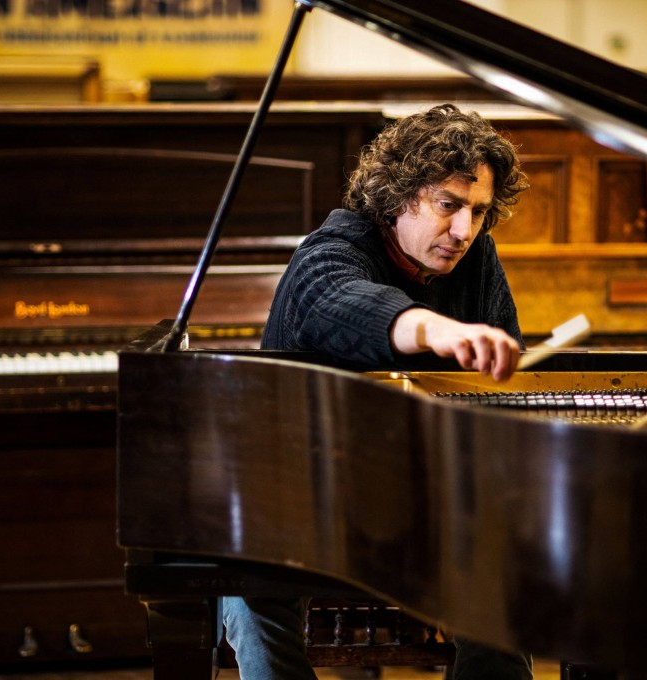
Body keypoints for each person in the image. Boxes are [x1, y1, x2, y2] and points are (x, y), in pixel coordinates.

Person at [221, 103, 533, 679]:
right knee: (252, 595)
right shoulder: (331, 251)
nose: (464, 231)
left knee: (503, 588)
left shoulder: (475, 257)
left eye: (479, 211)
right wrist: (435, 329)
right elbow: (341, 302)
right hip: (299, 496)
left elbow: (500, 379)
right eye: (448, 205)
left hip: (426, 495)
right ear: (398, 196)